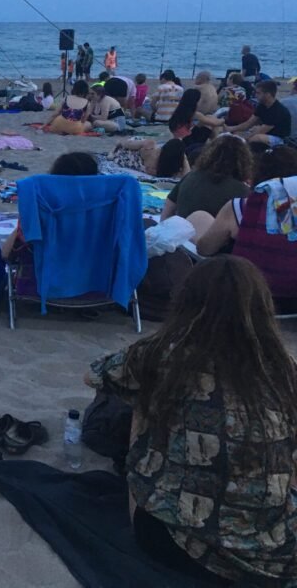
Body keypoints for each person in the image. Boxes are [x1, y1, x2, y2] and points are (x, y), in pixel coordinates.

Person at [86, 256, 297, 585]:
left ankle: (140, 476)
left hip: (174, 542)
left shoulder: (163, 354)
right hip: (273, 551)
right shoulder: (284, 370)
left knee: (140, 398)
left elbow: (93, 377)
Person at [194, 147, 297, 311]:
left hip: (246, 297)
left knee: (198, 219)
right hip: (292, 300)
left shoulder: (242, 207)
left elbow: (205, 249)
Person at [0, 152, 98, 260]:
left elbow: (5, 253)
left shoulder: (39, 208)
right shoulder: (104, 212)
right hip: (92, 270)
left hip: (43, 271)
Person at [161, 134, 252, 220]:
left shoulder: (190, 177)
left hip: (182, 232)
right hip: (215, 235)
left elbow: (166, 212)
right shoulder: (241, 192)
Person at [225, 80, 292, 147]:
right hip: (265, 134)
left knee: (256, 137)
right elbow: (248, 123)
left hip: (280, 139)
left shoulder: (277, 110)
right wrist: (231, 128)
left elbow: (261, 131)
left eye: (258, 93)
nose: (255, 95)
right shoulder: (262, 105)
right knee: (236, 134)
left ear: (268, 94)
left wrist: (243, 138)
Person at [108, 138, 189, 179]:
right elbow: (187, 175)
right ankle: (114, 150)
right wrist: (184, 157)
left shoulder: (151, 149)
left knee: (126, 143)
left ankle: (113, 149)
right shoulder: (168, 169)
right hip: (126, 160)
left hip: (125, 155)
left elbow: (126, 144)